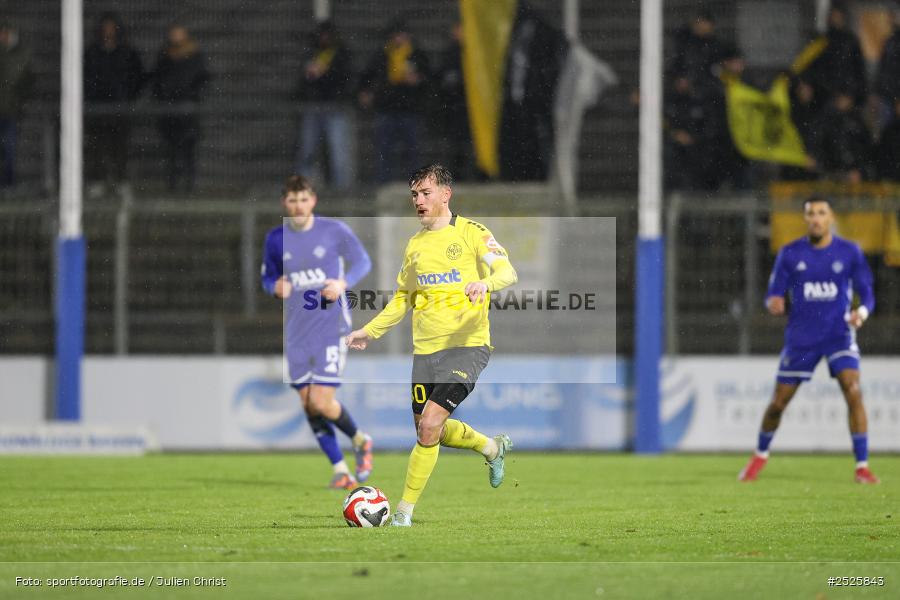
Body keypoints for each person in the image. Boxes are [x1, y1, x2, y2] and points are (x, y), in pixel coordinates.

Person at [345, 164, 518, 526]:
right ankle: (491, 447)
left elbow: (507, 271)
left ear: (445, 194)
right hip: (425, 353)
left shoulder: (472, 232)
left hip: (467, 346)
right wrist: (369, 331)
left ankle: (403, 513)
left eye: (425, 193)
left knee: (429, 426)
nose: (418, 201)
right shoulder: (415, 245)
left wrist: (486, 285)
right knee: (428, 429)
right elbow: (402, 298)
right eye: (414, 195)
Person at [739, 195, 878, 484]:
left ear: (830, 218)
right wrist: (773, 302)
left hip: (838, 334)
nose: (815, 218)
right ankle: (759, 455)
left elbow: (867, 293)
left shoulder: (849, 252)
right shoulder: (790, 253)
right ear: (805, 219)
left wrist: (861, 313)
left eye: (821, 213)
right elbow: (773, 293)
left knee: (853, 389)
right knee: (778, 403)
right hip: (802, 338)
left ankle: (862, 466)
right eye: (810, 213)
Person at [261, 176, 374, 490]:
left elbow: (363, 261)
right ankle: (340, 470)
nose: (298, 206)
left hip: (330, 326)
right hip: (296, 330)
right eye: (293, 200)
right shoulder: (275, 239)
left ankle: (361, 440)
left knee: (322, 402)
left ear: (313, 201)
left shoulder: (333, 231)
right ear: (285, 202)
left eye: (304, 199)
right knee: (308, 404)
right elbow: (268, 277)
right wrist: (274, 287)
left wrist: (342, 283)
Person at [358, 20, 430, 183]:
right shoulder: (383, 55)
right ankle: (383, 182)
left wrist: (417, 80)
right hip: (387, 108)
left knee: (412, 151)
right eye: (396, 35)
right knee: (384, 150)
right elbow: (369, 75)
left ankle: (416, 183)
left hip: (409, 109)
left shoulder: (417, 55)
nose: (399, 38)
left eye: (402, 34)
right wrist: (367, 92)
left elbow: (428, 79)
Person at [83, 12, 144, 194]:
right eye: (105, 27)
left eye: (111, 27)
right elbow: (85, 77)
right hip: (96, 109)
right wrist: (91, 96)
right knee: (96, 147)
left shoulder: (127, 52)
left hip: (119, 108)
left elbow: (137, 77)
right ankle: (97, 180)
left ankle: (121, 180)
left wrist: (127, 97)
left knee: (120, 147)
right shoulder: (92, 53)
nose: (108, 31)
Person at [293, 20, 356, 190]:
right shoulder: (311, 53)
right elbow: (302, 82)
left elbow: (345, 79)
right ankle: (302, 189)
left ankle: (343, 190)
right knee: (307, 151)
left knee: (339, 153)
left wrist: (325, 74)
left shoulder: (341, 54)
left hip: (335, 108)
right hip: (314, 107)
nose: (324, 38)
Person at [152, 24, 209, 193]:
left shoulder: (194, 56)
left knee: (188, 151)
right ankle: (173, 186)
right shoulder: (165, 56)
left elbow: (202, 79)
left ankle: (189, 186)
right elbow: (157, 79)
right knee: (171, 151)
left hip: (188, 110)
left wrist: (192, 94)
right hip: (170, 111)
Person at [0, 22, 33, 187]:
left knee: (9, 149)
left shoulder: (21, 55)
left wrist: (20, 101)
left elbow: (26, 82)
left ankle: (8, 183)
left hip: (11, 111)